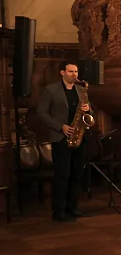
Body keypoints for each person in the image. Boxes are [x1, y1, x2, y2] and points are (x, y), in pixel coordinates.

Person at [36, 61, 92, 222]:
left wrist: (89, 110)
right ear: (62, 72)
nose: (74, 74)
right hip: (61, 137)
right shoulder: (51, 90)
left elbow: (90, 111)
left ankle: (72, 207)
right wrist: (61, 126)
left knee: (77, 174)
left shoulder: (81, 90)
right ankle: (59, 210)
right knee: (62, 174)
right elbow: (41, 112)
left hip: (79, 137)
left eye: (76, 71)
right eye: (70, 71)